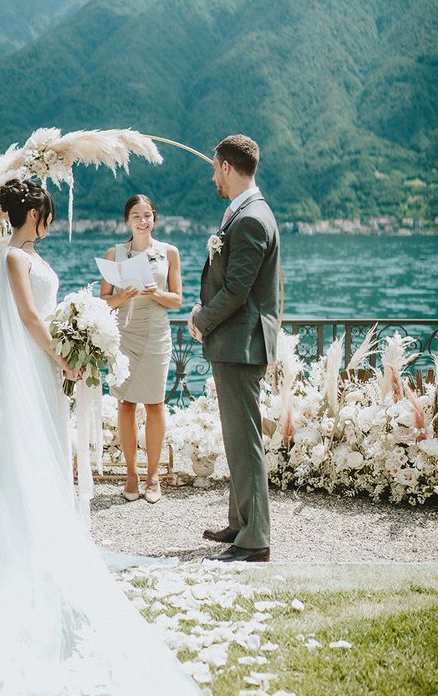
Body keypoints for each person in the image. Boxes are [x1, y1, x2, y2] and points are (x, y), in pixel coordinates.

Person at [0, 179, 201, 696]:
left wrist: (76, 335)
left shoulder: (31, 255)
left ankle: (53, 522)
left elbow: (47, 314)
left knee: (53, 444)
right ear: (31, 214)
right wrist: (62, 356)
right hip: (36, 365)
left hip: (49, 363)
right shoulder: (13, 258)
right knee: (36, 444)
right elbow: (31, 319)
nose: (51, 221)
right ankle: (38, 532)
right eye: (47, 213)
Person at [188, 135, 280, 564]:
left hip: (241, 344)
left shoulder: (250, 219)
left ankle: (255, 539)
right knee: (237, 438)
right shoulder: (246, 214)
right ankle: (240, 522)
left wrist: (200, 320)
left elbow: (238, 291)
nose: (213, 177)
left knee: (245, 441)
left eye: (214, 169)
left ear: (226, 166)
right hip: (236, 342)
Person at [100, 195, 182, 504]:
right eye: (136, 215)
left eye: (147, 214)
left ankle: (153, 475)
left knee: (155, 405)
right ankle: (131, 474)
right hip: (124, 334)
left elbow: (177, 299)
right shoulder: (116, 253)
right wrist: (124, 296)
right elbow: (104, 300)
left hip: (156, 333)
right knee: (126, 405)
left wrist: (155, 292)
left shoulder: (169, 253)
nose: (142, 220)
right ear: (127, 220)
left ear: (154, 218)